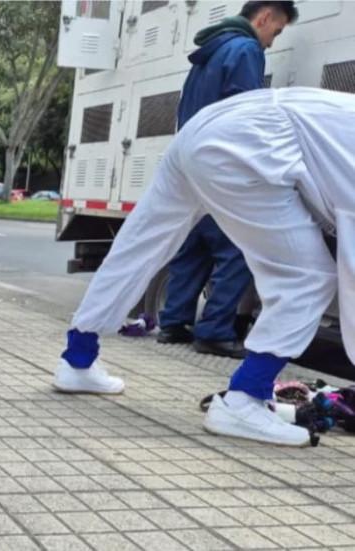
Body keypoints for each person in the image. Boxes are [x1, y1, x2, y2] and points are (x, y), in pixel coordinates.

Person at [54, 86, 355, 447]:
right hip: (250, 142)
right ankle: (243, 400)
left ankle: (78, 359)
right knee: (308, 277)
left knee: (139, 243)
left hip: (208, 128)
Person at [156, 1, 297, 358]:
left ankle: (173, 323)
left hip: (191, 163)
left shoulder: (209, 51)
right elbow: (244, 113)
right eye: (276, 32)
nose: (272, 43)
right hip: (224, 166)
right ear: (264, 17)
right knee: (236, 248)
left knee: (194, 247)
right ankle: (215, 331)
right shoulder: (246, 48)